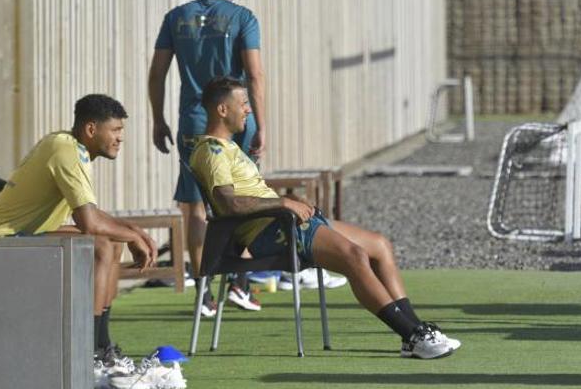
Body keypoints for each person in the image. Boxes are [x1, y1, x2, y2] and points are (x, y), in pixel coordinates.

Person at [189, 77, 461, 359]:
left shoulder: (230, 148)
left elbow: (250, 193)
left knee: (379, 245)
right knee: (354, 256)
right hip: (270, 231)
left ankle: (416, 331)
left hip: (283, 220)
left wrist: (289, 200)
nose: (248, 110)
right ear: (222, 110)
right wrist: (283, 202)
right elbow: (228, 203)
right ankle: (412, 335)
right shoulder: (211, 151)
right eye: (243, 103)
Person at [0, 94, 158, 376]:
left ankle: (102, 346)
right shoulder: (67, 151)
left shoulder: (69, 146)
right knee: (102, 246)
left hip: (22, 234)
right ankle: (90, 352)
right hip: (3, 242)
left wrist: (132, 231)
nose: (120, 139)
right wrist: (132, 236)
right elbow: (90, 223)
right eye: (115, 131)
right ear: (91, 130)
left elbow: (90, 213)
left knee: (111, 242)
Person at [148, 0, 266, 314]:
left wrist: (158, 118)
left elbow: (157, 73)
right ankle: (240, 282)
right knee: (242, 198)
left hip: (193, 121)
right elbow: (255, 76)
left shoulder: (177, 16)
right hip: (233, 120)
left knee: (195, 206)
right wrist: (261, 125)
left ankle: (203, 291)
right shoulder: (243, 17)